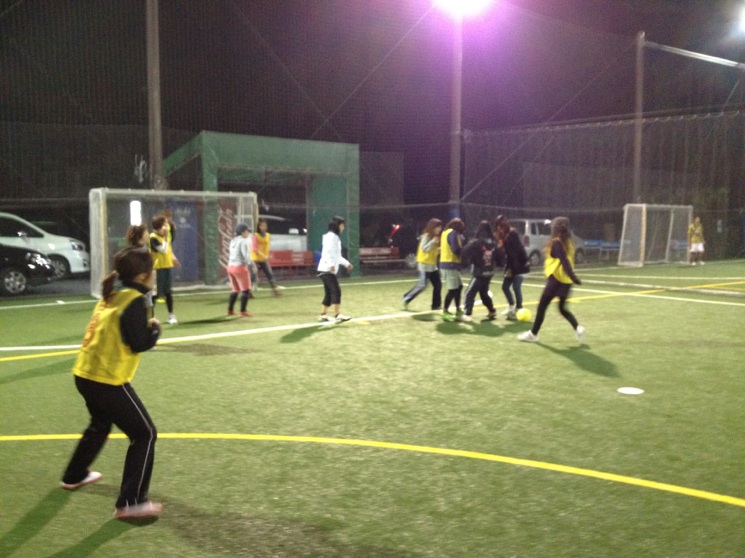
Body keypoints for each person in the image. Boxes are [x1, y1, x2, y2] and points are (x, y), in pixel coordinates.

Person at [59, 246, 163, 520]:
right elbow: (139, 343)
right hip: (106, 380)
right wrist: (155, 329)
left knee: (100, 424)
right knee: (145, 434)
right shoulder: (134, 300)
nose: (154, 275)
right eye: (152, 271)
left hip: (85, 373)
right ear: (142, 276)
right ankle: (131, 502)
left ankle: (74, 475)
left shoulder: (112, 294)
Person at [518, 217, 585, 344]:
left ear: (556, 228)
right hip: (566, 282)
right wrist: (572, 278)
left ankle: (533, 334)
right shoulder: (569, 242)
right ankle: (578, 328)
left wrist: (574, 277)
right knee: (562, 309)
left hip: (556, 280)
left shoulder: (556, 242)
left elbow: (564, 261)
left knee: (542, 307)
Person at [460, 220, 499, 322]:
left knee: (470, 293)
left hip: (479, 272)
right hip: (489, 272)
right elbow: (500, 256)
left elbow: (465, 251)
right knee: (484, 293)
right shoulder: (494, 243)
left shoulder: (477, 242)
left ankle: (467, 314)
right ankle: (492, 310)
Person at [317, 215, 353, 323]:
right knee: (336, 290)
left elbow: (337, 256)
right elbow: (327, 252)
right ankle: (337, 315)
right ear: (337, 225)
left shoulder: (334, 237)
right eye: (342, 225)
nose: (343, 227)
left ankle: (323, 315)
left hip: (325, 269)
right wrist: (330, 264)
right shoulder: (331, 237)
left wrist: (346, 264)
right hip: (326, 269)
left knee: (329, 293)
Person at [401, 218, 442, 311]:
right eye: (438, 227)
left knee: (438, 285)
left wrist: (439, 249)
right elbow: (424, 249)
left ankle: (436, 306)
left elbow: (433, 252)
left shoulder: (435, 237)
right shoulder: (426, 236)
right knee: (422, 285)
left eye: (440, 227)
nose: (440, 229)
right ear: (432, 227)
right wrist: (433, 242)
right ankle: (406, 298)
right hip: (424, 265)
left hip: (432, 266)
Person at [495, 215, 530, 320]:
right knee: (505, 287)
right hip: (511, 264)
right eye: (498, 225)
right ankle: (511, 306)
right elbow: (507, 252)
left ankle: (519, 309)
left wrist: (523, 262)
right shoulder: (503, 236)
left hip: (518, 264)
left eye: (501, 225)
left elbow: (518, 249)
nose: (500, 228)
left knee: (516, 287)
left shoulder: (512, 233)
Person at [149, 214, 181, 324]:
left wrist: (173, 258)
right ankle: (150, 316)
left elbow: (168, 250)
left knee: (168, 293)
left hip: (166, 267)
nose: (166, 227)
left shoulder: (164, 237)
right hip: (157, 269)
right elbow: (163, 249)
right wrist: (166, 237)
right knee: (155, 294)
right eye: (164, 225)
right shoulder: (153, 237)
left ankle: (171, 315)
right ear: (158, 226)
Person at [439, 217, 466, 321]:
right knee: (453, 290)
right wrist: (463, 249)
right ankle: (445, 311)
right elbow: (455, 249)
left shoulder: (445, 233)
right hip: (450, 265)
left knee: (459, 287)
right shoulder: (453, 233)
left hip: (447, 264)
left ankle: (458, 308)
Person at [125, 224, 154, 315]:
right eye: (146, 232)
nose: (148, 234)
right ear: (140, 235)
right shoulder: (141, 253)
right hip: (140, 290)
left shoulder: (131, 251)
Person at [250, 217, 282, 296]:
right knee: (253, 275)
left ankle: (275, 290)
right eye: (262, 226)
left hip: (264, 259)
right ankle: (248, 292)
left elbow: (267, 246)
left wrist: (267, 255)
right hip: (255, 258)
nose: (264, 227)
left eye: (265, 226)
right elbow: (255, 248)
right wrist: (263, 255)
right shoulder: (256, 235)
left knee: (269, 273)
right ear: (259, 227)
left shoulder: (268, 235)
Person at [227, 223, 253, 316]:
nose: (248, 233)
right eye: (247, 231)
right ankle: (243, 311)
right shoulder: (243, 241)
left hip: (230, 267)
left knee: (235, 289)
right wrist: (252, 265)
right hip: (239, 267)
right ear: (242, 232)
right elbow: (246, 257)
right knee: (246, 290)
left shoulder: (233, 240)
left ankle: (230, 310)